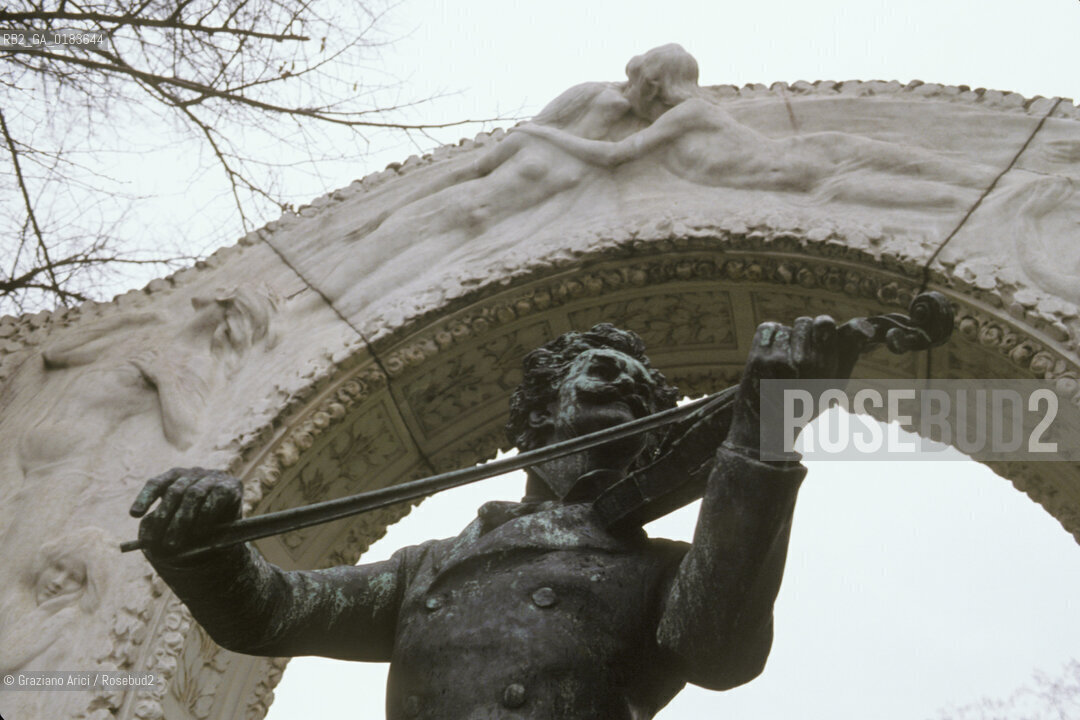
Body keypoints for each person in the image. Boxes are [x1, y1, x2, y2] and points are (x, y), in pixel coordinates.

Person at [130, 315, 859, 719]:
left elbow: (721, 654)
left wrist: (761, 435)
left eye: (640, 393)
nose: (626, 380)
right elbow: (271, 612)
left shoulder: (658, 567)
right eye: (603, 373)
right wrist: (200, 542)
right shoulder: (430, 565)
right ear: (538, 419)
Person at [515, 44, 1000, 209]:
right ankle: (1001, 194)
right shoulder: (680, 122)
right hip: (808, 172)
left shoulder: (689, 114)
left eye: (637, 82)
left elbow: (614, 157)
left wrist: (541, 132)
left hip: (812, 157)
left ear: (657, 84)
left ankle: (1003, 187)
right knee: (944, 195)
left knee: (952, 183)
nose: (631, 90)